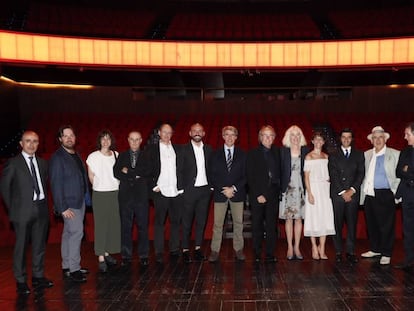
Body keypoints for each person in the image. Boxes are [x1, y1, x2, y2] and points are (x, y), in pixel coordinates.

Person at [0, 131, 53, 294]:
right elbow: (4, 188)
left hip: (41, 210)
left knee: (39, 245)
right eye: (28, 141)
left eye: (35, 141)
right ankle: (21, 280)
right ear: (21, 144)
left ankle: (37, 276)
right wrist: (13, 209)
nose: (31, 144)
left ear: (38, 144)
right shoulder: (13, 163)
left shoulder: (43, 163)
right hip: (22, 212)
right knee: (21, 247)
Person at [49, 125, 90, 283]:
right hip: (68, 203)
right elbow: (55, 184)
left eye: (71, 135)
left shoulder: (76, 154)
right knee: (77, 233)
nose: (69, 138)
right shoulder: (57, 157)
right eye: (65, 136)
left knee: (68, 234)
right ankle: (74, 269)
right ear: (60, 139)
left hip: (79, 201)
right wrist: (62, 207)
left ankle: (67, 266)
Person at [360, 126, 400, 265]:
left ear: (385, 139)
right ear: (371, 140)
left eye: (380, 137)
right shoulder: (366, 155)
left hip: (386, 193)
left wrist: (395, 192)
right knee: (372, 223)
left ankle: (386, 252)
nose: (377, 140)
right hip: (370, 194)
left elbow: (400, 176)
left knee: (386, 225)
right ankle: (375, 248)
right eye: (374, 138)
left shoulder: (394, 154)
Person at [208, 125, 247, 262]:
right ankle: (214, 251)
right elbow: (212, 175)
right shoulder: (214, 154)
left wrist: (234, 188)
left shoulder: (243, 154)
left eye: (233, 135)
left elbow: (246, 176)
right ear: (223, 136)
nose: (230, 137)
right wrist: (224, 189)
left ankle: (238, 249)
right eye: (227, 134)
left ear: (236, 137)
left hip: (237, 193)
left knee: (238, 223)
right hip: (220, 194)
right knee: (218, 224)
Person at [146, 123, 183, 264]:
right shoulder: (151, 149)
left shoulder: (178, 149)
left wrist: (181, 188)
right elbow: (146, 170)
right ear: (159, 133)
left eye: (169, 132)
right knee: (159, 223)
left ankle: (174, 249)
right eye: (164, 132)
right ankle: (159, 251)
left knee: (175, 222)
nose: (167, 135)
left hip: (175, 191)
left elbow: (182, 169)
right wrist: (153, 186)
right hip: (160, 191)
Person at [113, 131, 150, 267]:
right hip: (125, 197)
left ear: (141, 140)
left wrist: (128, 171)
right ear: (128, 140)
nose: (134, 142)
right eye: (132, 139)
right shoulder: (122, 156)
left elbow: (148, 171)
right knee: (126, 227)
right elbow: (116, 172)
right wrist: (136, 175)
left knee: (143, 227)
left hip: (141, 197)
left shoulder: (147, 155)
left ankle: (144, 255)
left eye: (137, 139)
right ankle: (126, 255)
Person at [328, 128, 365, 264]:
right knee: (337, 224)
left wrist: (352, 190)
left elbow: (361, 174)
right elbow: (334, 175)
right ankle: (338, 251)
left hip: (353, 195)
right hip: (338, 195)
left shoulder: (359, 154)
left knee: (351, 224)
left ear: (352, 139)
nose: (346, 139)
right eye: (344, 137)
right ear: (340, 138)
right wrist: (343, 192)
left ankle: (350, 251)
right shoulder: (333, 155)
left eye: (349, 137)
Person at [86, 130, 121, 272]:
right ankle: (101, 256)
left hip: (115, 193)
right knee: (101, 225)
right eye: (103, 139)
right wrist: (100, 186)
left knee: (112, 225)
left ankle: (107, 253)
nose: (106, 141)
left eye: (108, 139)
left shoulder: (116, 155)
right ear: (99, 141)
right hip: (100, 194)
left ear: (111, 141)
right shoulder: (93, 156)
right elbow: (91, 176)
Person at [246, 125, 281, 263]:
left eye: (271, 135)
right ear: (260, 137)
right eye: (265, 135)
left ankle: (270, 253)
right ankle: (256, 253)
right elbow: (250, 176)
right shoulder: (252, 153)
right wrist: (257, 194)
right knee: (257, 225)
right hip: (258, 195)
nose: (268, 138)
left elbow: (279, 174)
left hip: (273, 194)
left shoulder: (278, 152)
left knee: (272, 226)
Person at [180, 123, 213, 263]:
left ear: (204, 133)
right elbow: (179, 170)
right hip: (189, 190)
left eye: (200, 130)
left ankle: (198, 248)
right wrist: (182, 189)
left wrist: (211, 187)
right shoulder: (183, 149)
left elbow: (212, 169)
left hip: (205, 191)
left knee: (201, 222)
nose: (197, 133)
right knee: (187, 222)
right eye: (194, 131)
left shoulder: (209, 149)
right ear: (190, 133)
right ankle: (185, 250)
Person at [303, 132, 335, 260]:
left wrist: (330, 180)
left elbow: (330, 174)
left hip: (325, 190)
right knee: (313, 217)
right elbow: (306, 177)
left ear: (323, 142)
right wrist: (310, 193)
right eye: (316, 139)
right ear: (312, 141)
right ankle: (314, 246)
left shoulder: (326, 157)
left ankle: (322, 247)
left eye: (320, 140)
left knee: (324, 217)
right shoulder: (309, 157)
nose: (318, 142)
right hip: (314, 189)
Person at [279, 125, 308, 261]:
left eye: (298, 135)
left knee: (299, 218)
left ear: (301, 137)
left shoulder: (306, 150)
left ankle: (297, 246)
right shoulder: (283, 151)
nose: (295, 137)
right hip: (287, 189)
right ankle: (289, 247)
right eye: (293, 135)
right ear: (288, 137)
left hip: (301, 188)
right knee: (289, 218)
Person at [395, 122, 414, 270]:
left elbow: (405, 171)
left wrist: (408, 170)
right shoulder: (404, 152)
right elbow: (398, 172)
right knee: (407, 228)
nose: (405, 137)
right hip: (407, 194)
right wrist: (407, 171)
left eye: (407, 134)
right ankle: (409, 259)